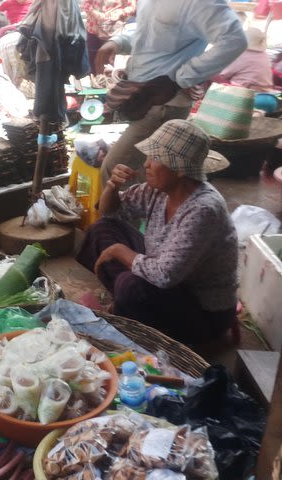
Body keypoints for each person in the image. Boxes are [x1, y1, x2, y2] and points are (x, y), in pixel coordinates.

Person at [76, 120, 238, 343]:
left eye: (155, 158)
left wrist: (120, 251)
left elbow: (165, 275)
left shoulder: (204, 209)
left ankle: (130, 309)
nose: (146, 164)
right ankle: (126, 303)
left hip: (202, 311)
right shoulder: (159, 191)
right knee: (101, 230)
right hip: (167, 279)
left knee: (130, 285)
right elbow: (109, 212)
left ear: (180, 169)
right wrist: (112, 186)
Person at [95, 0, 247, 184]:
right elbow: (150, 32)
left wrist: (181, 77)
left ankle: (119, 212)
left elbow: (234, 40)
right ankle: (145, 211)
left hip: (164, 104)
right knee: (146, 179)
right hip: (143, 97)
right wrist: (118, 43)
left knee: (114, 172)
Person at [80, 0, 136, 75]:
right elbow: (85, 4)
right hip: (93, 29)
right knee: (92, 61)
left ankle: (107, 82)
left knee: (110, 64)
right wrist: (96, 14)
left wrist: (120, 12)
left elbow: (132, 7)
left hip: (114, 32)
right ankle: (95, 80)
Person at [214, 28, 274, 92]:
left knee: (211, 76)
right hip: (264, 90)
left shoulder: (242, 54)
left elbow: (224, 74)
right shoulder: (265, 55)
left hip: (244, 90)